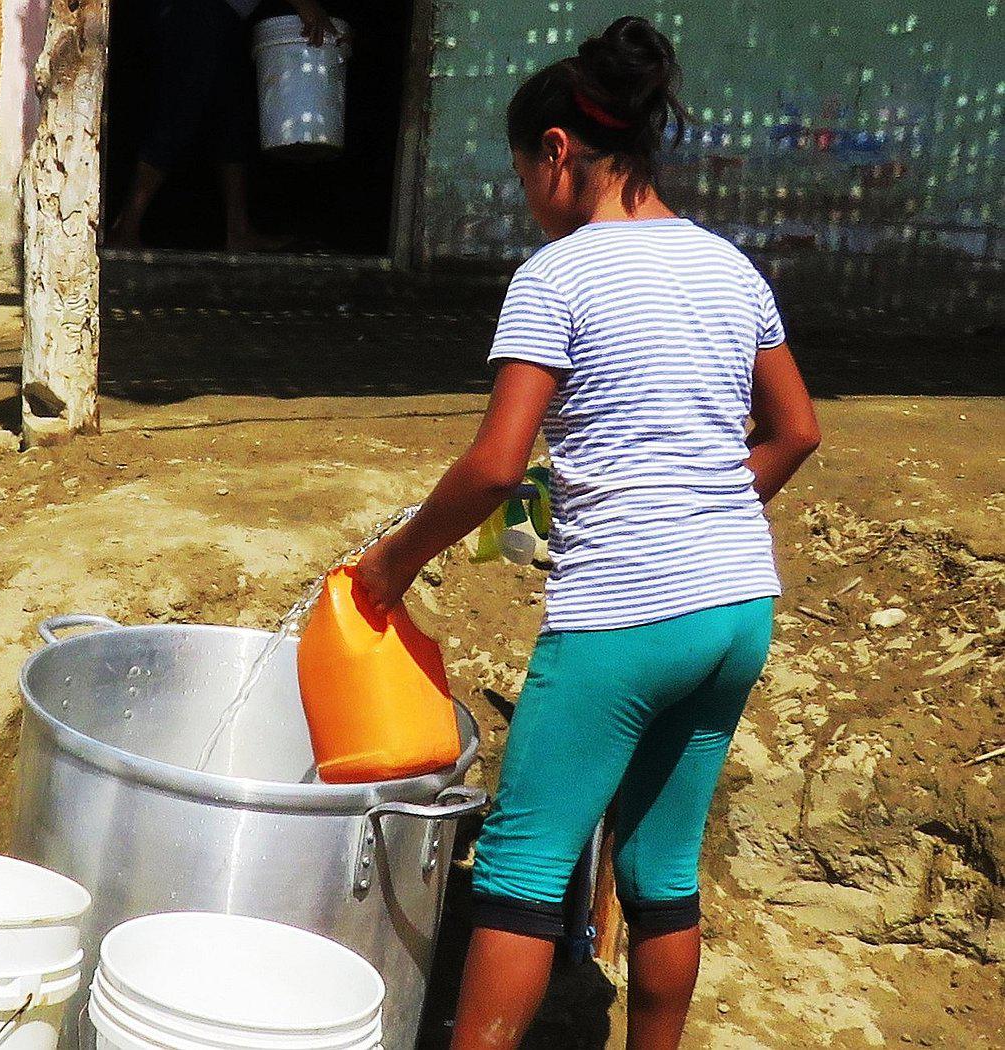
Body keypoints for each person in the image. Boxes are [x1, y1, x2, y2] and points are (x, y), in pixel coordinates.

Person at [353, 16, 820, 1050]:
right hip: (738, 603)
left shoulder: (556, 278)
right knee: (660, 868)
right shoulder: (731, 268)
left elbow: (493, 467)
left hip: (625, 616)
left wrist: (387, 568)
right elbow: (797, 432)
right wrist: (702, 504)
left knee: (522, 867)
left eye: (524, 175)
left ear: (558, 153)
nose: (529, 200)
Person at [108, 0, 338, 251]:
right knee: (178, 114)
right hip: (197, 9)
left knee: (233, 117)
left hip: (227, 13)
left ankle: (238, 232)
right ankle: (125, 230)